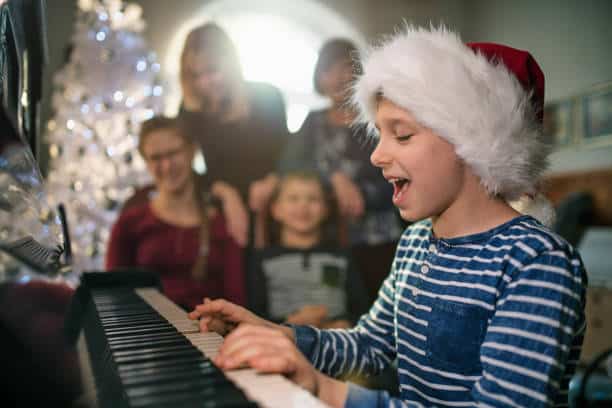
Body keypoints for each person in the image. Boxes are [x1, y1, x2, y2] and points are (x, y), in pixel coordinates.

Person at [189, 26, 587, 407]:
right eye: (379, 133)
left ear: (473, 143)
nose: (377, 156)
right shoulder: (415, 243)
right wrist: (277, 335)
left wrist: (324, 391)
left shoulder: (536, 262)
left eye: (402, 134)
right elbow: (368, 347)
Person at [274, 39, 403, 299]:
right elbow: (288, 165)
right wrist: (334, 178)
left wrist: (362, 195)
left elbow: (399, 171)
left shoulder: (376, 120)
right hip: (330, 238)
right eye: (327, 71)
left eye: (344, 68)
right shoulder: (313, 122)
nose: (336, 78)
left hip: (380, 236)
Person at [106, 116, 246, 310]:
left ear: (192, 152)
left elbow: (237, 300)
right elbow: (113, 294)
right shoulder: (130, 223)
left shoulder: (222, 225)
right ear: (146, 162)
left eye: (173, 153)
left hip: (209, 334)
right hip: (146, 332)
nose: (166, 166)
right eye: (155, 158)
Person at [177, 23, 289, 246]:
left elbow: (288, 152)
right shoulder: (190, 110)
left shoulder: (268, 96)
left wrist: (272, 180)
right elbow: (186, 168)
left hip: (276, 204)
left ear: (230, 64)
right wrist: (224, 192)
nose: (204, 83)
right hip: (221, 209)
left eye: (212, 71)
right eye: (196, 75)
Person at [247, 170, 369, 328]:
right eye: (293, 199)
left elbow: (362, 308)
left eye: (313, 199)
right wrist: (290, 324)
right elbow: (254, 313)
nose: (303, 206)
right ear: (276, 210)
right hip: (281, 339)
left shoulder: (341, 256)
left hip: (337, 339)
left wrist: (345, 323)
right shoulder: (262, 259)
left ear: (326, 209)